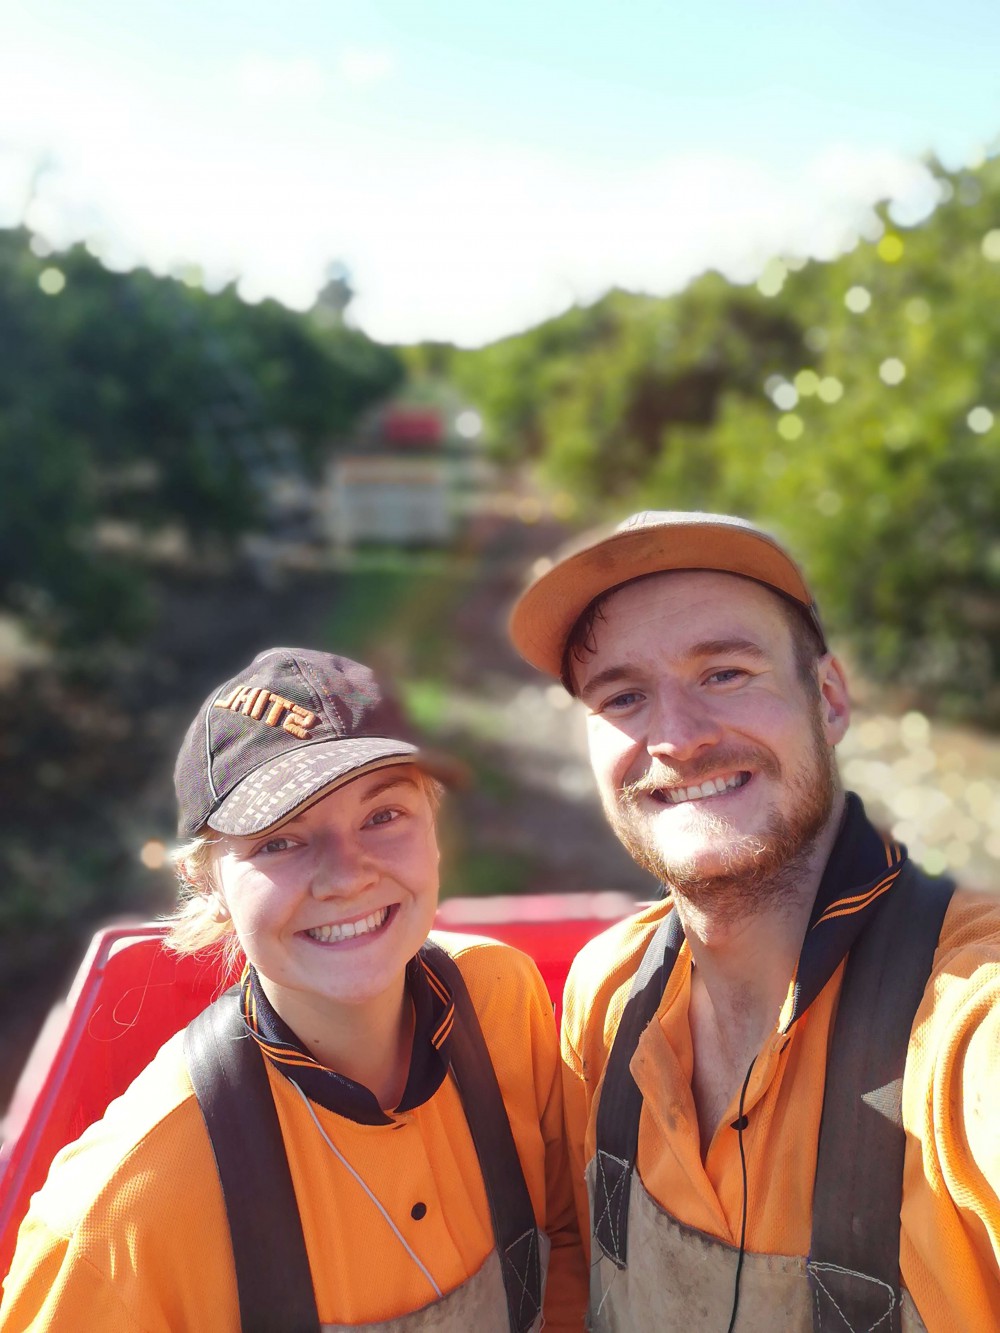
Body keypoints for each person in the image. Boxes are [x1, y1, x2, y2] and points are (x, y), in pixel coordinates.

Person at [508, 511, 1000, 1333]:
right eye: (623, 695)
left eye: (725, 673)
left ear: (830, 698)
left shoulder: (961, 1022)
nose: (677, 738)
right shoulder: (607, 992)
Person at [0, 646, 587, 1332]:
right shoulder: (125, 1202)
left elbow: (570, 1250)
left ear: (434, 831)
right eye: (279, 841)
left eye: (382, 815)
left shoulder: (499, 999)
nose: (345, 876)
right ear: (207, 884)